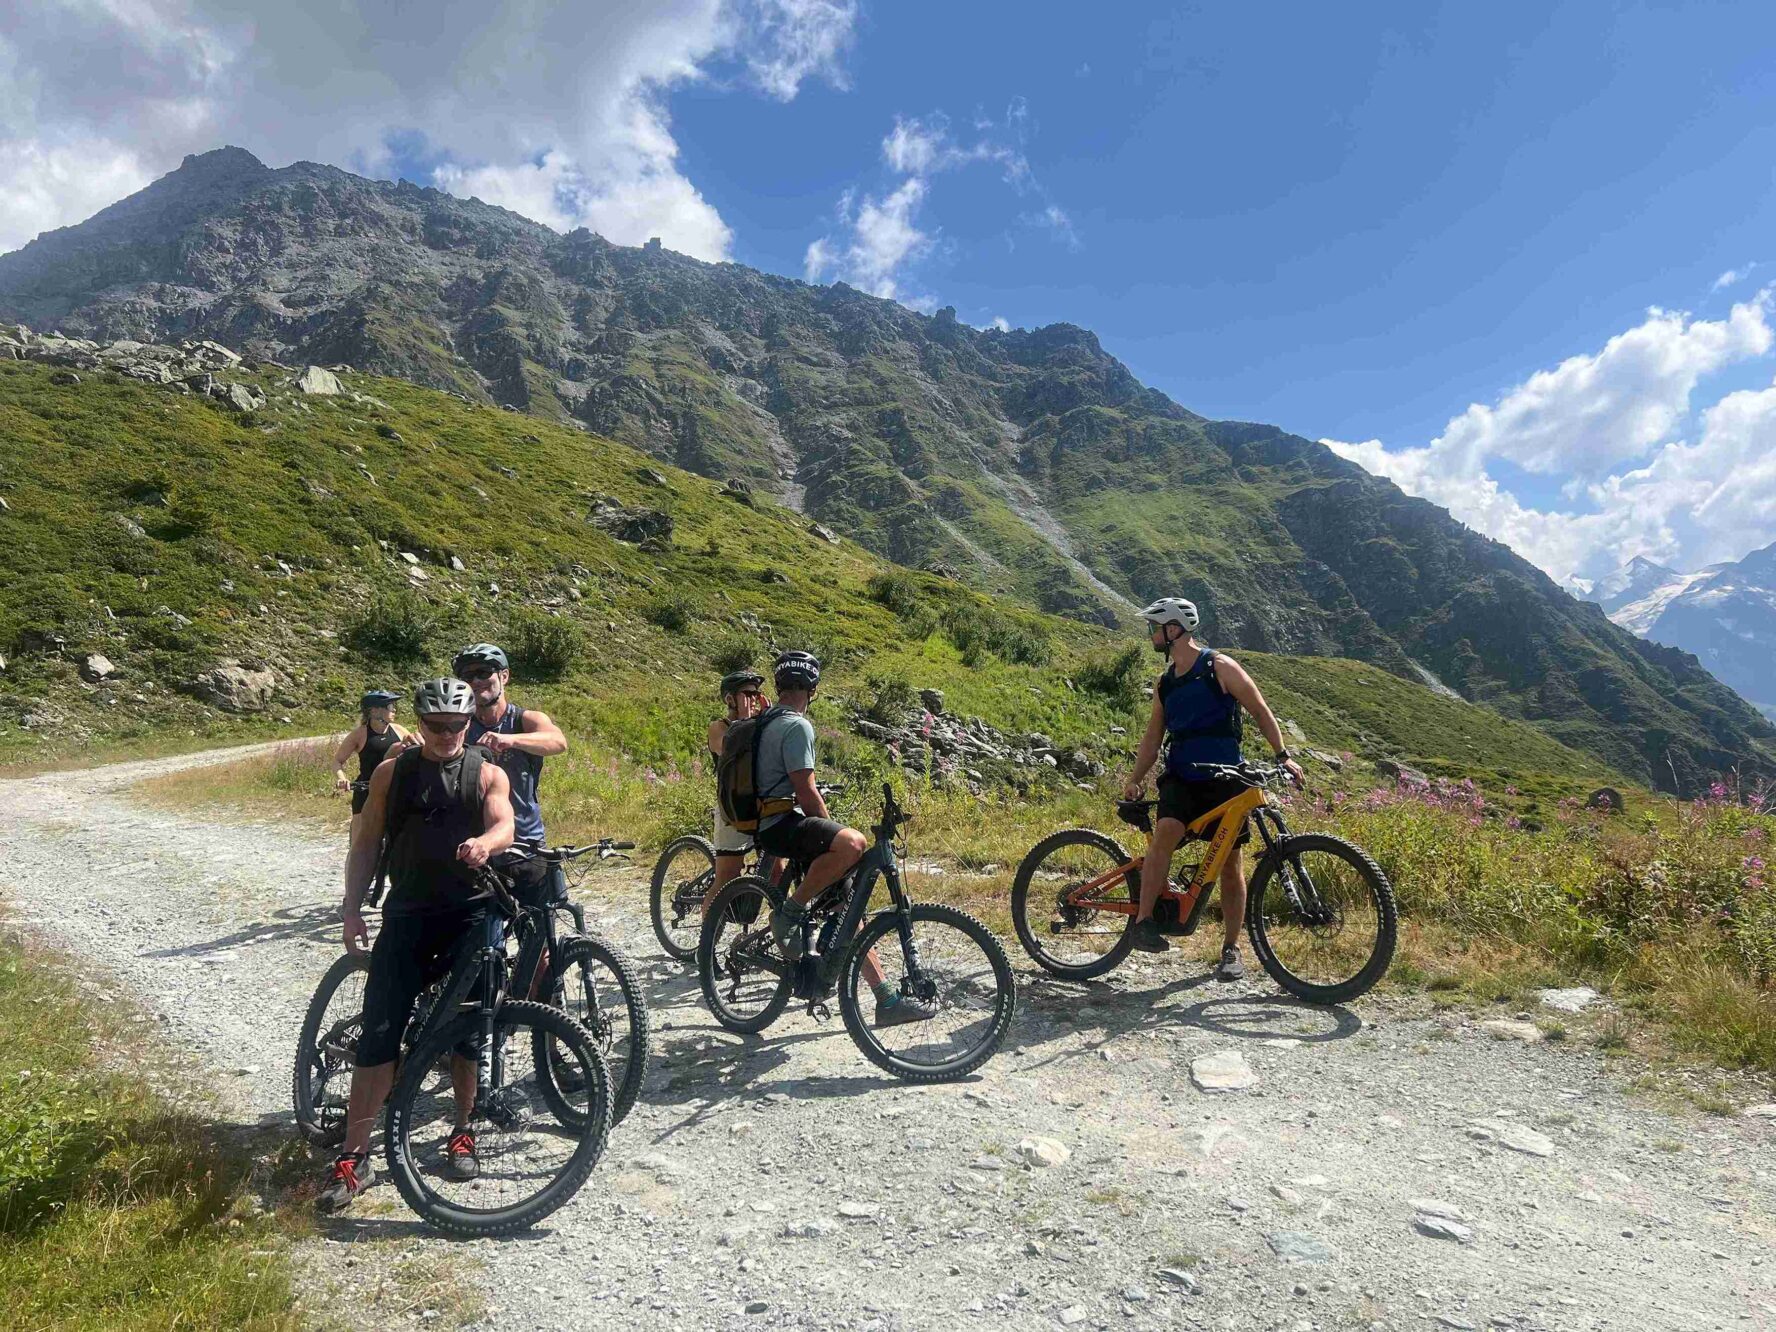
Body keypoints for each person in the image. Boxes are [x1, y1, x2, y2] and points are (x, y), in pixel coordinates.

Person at [316, 678, 516, 1212]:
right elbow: (366, 844)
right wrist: (352, 906)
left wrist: (485, 843)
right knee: (381, 1029)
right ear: (421, 723)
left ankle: (462, 1128)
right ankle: (354, 1155)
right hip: (406, 915)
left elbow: (505, 826)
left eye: (456, 725)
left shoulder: (487, 773)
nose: (447, 734)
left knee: (468, 1031)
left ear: (469, 723)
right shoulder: (392, 772)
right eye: (436, 725)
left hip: (469, 916)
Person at [1120, 597, 1306, 976]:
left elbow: (1259, 709)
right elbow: (1153, 737)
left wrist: (1282, 754)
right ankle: (1143, 922)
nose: (1151, 634)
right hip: (1182, 776)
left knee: (1229, 862)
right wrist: (1136, 779)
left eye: (1155, 627)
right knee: (1166, 833)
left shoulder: (1218, 666)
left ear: (1173, 630)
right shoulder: (1166, 683)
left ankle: (1231, 949)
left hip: (1227, 778)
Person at [757, 650, 936, 1027]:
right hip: (780, 823)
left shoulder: (766, 720)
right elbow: (806, 794)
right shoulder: (797, 726)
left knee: (845, 899)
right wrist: (834, 835)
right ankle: (789, 914)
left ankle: (885, 999)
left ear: (780, 685)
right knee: (852, 845)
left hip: (769, 822)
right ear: (812, 688)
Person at [452, 643, 568, 908]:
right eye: (468, 677)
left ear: (504, 676)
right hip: (475, 847)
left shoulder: (524, 719)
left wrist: (511, 740)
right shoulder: (458, 725)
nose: (476, 681)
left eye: (483, 672)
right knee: (481, 941)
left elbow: (557, 741)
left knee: (538, 937)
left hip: (525, 844)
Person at [709, 668, 766, 904]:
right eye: (747, 694)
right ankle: (707, 936)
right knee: (727, 876)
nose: (753, 700)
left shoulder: (757, 724)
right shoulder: (718, 727)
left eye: (757, 694)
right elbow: (728, 749)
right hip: (732, 806)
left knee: (776, 871)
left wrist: (767, 718)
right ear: (730, 699)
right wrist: (744, 721)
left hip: (761, 806)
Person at [331, 689, 410, 842]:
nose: (394, 710)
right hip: (366, 791)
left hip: (394, 790)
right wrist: (342, 779)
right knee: (358, 840)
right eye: (389, 706)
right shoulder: (359, 734)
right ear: (374, 711)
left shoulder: (400, 731)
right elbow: (337, 761)